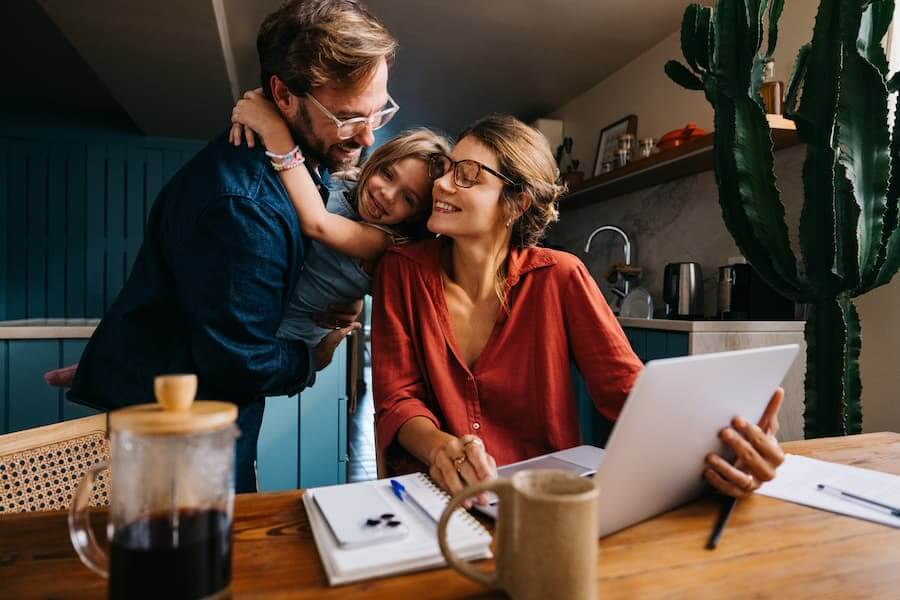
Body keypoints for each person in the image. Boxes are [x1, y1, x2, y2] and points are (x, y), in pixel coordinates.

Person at [67, 0, 397, 493]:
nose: (369, 136)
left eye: (380, 110)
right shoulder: (243, 205)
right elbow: (240, 362)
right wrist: (316, 357)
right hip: (184, 438)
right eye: (348, 118)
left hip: (196, 411)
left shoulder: (296, 154)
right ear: (283, 95)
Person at [372, 114, 786, 505]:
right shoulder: (401, 270)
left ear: (517, 202)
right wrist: (442, 448)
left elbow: (630, 392)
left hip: (544, 500)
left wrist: (730, 443)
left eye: (466, 175)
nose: (442, 185)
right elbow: (398, 400)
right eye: (446, 169)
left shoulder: (560, 277)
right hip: (430, 494)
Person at [228, 90, 451, 345]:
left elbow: (317, 223)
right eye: (388, 175)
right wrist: (268, 100)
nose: (387, 194)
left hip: (290, 334)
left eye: (408, 199)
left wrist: (273, 129)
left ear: (415, 217)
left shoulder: (385, 240)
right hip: (267, 303)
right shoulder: (348, 181)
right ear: (377, 163)